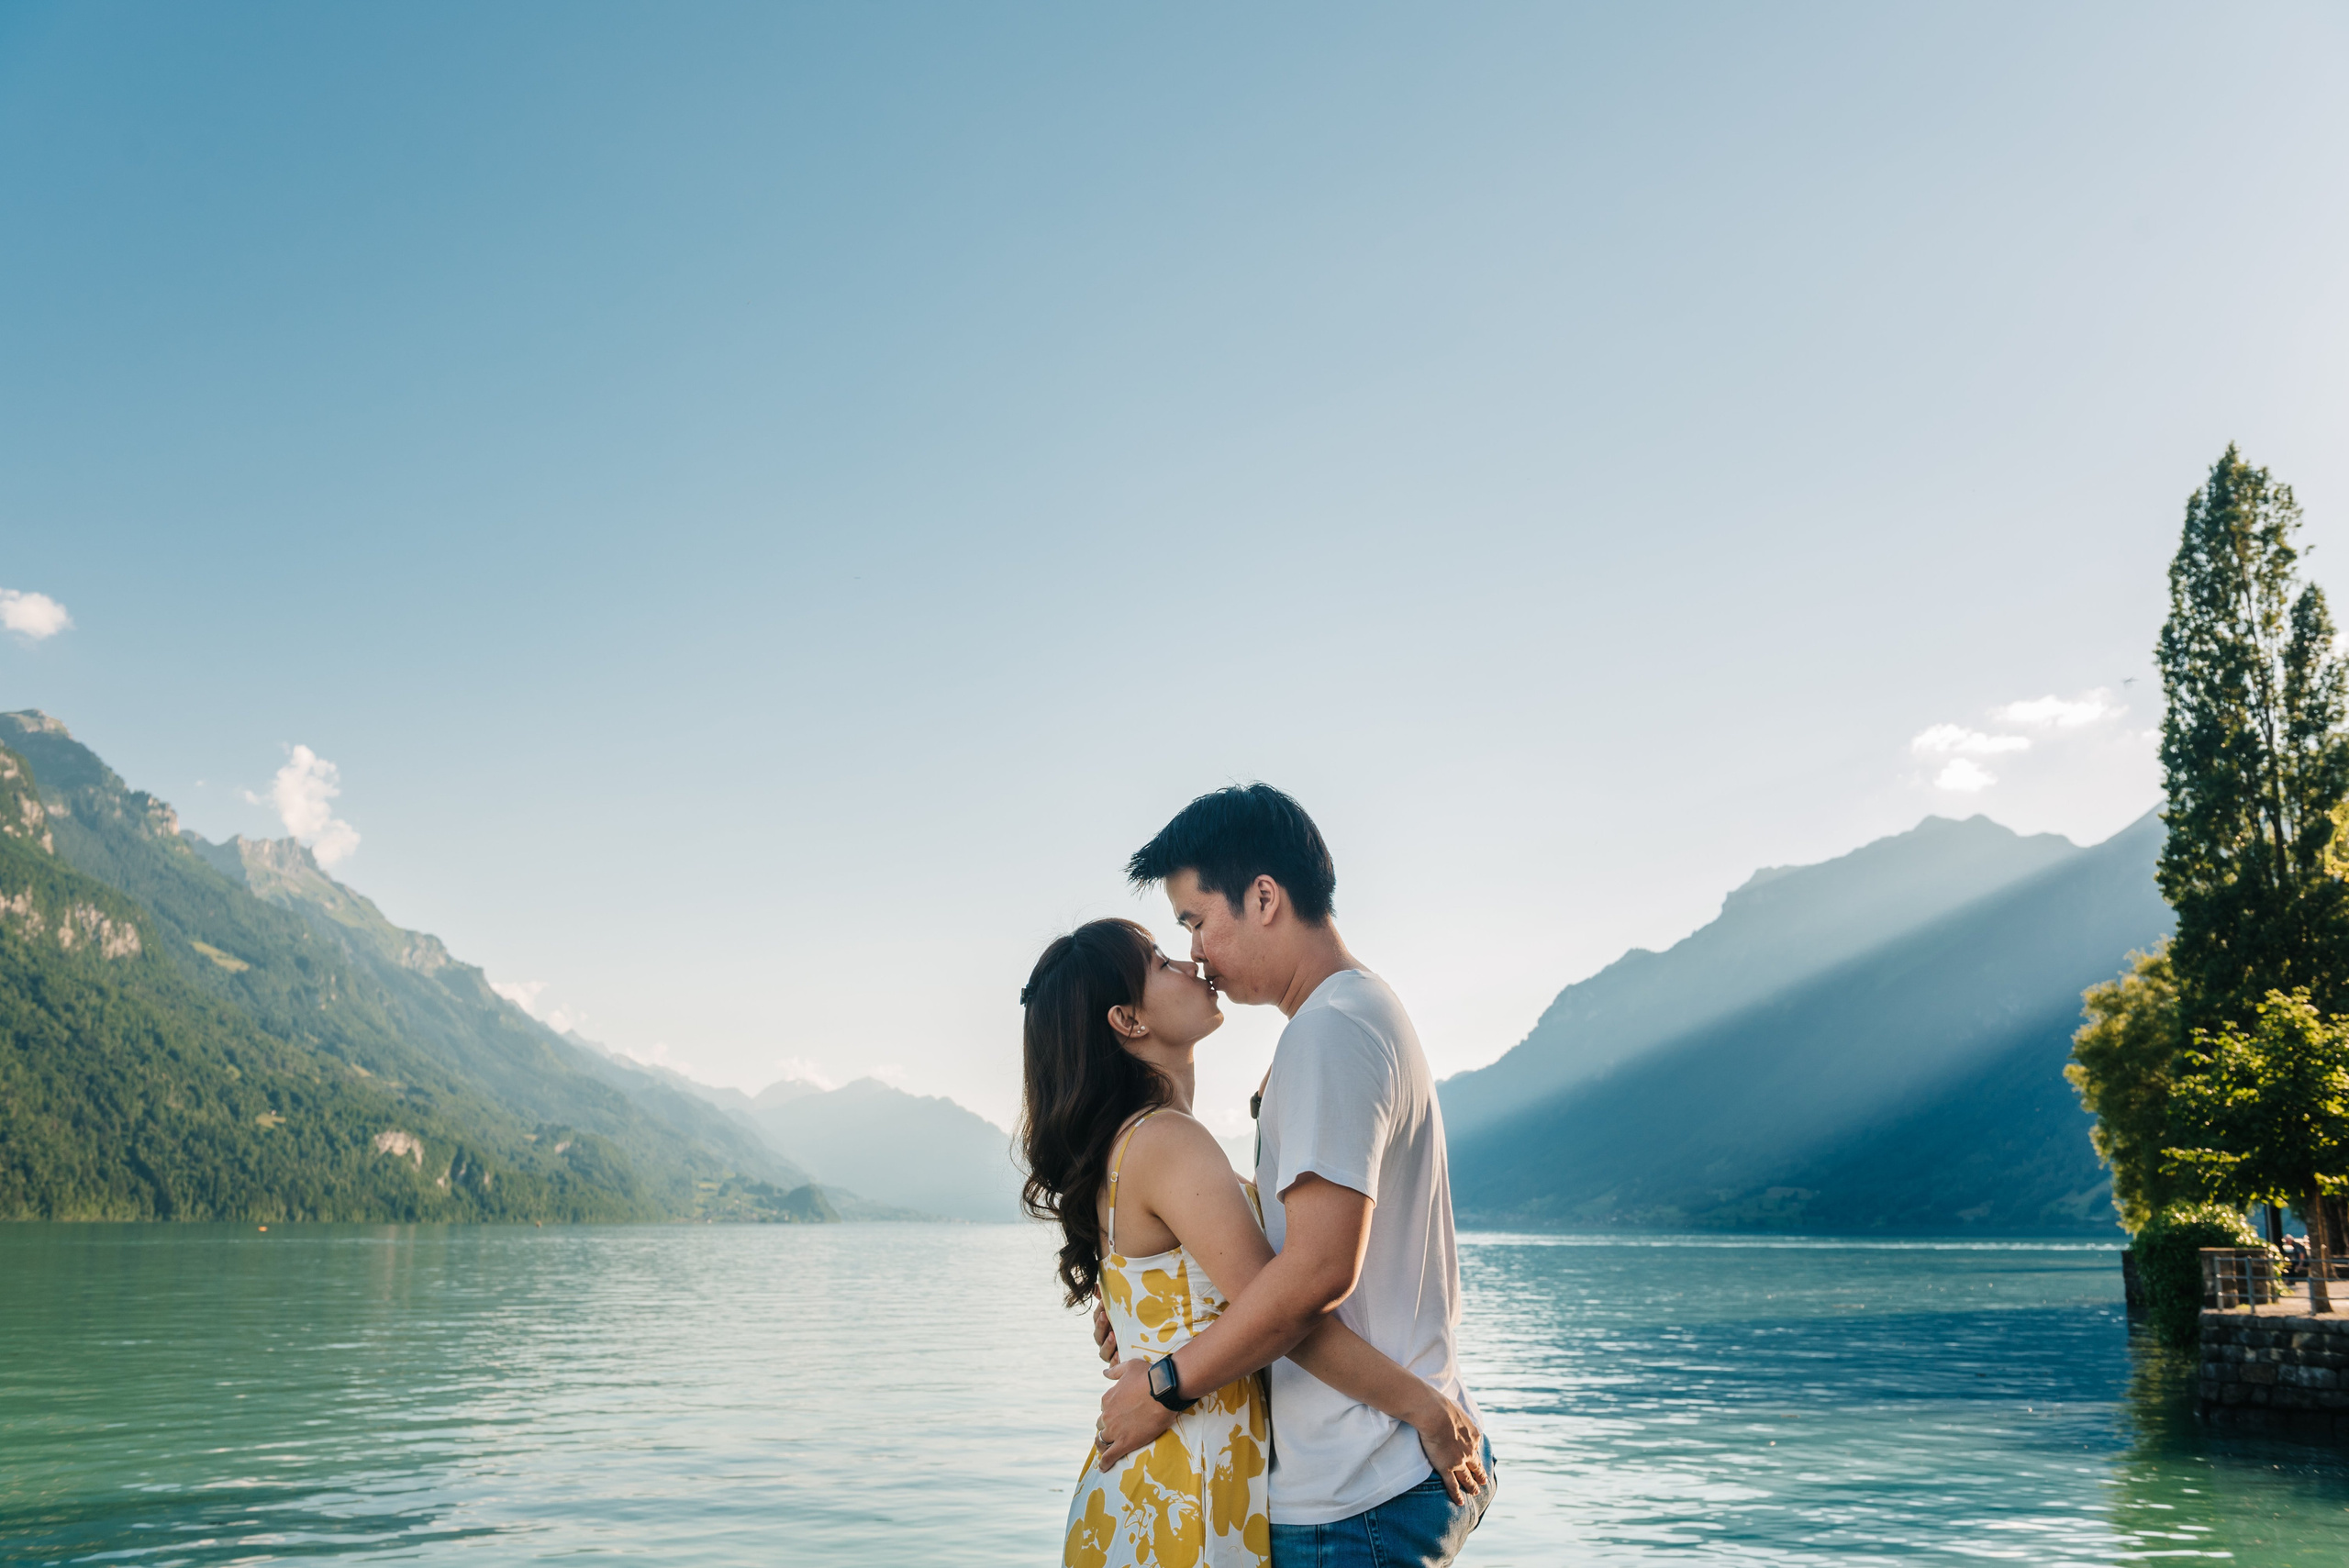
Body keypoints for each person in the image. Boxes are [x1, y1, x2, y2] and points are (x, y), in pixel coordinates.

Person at [1094, 784, 1496, 1568]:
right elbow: (1282, 1263)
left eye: (1197, 921)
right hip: (1382, 1474)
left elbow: (1314, 1273)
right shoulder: (1356, 1013)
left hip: (1354, 1492)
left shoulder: (1328, 1032)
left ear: (1265, 897)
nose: (1197, 952)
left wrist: (1164, 1383)